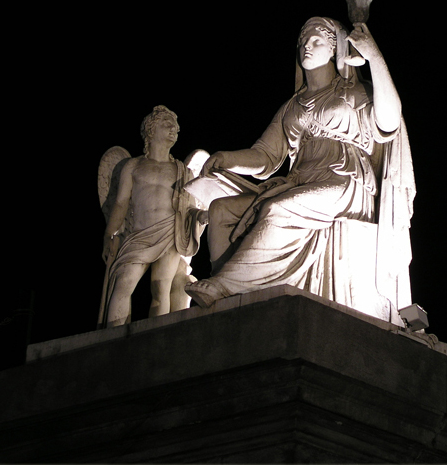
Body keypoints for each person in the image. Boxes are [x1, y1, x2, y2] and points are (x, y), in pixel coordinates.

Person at [184, 17, 414, 311]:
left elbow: (390, 120)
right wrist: (227, 158)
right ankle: (232, 303)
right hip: (298, 181)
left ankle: (226, 284)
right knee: (220, 210)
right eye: (303, 41)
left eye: (316, 40)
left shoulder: (354, 93)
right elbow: (265, 156)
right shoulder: (291, 106)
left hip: (343, 183)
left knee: (278, 208)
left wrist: (374, 57)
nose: (306, 45)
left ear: (334, 49)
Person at [98, 105, 208, 328]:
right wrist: (109, 234)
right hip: (137, 235)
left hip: (169, 234)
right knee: (123, 282)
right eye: (167, 125)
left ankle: (156, 335)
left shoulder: (182, 171)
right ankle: (112, 338)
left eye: (175, 128)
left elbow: (187, 207)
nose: (173, 130)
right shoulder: (133, 165)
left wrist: (200, 216)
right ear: (151, 130)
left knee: (161, 287)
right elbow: (120, 204)